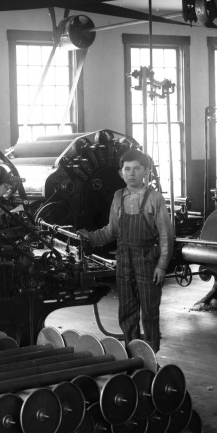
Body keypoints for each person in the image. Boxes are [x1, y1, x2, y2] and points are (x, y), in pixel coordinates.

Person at [79, 149, 173, 352]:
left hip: (148, 259)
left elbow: (166, 235)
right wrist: (89, 237)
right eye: (127, 169)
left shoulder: (154, 198)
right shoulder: (118, 197)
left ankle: (151, 353)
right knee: (127, 309)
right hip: (124, 260)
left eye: (137, 169)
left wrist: (162, 265)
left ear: (146, 171)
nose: (132, 174)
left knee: (149, 309)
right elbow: (111, 231)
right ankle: (131, 351)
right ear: (121, 173)